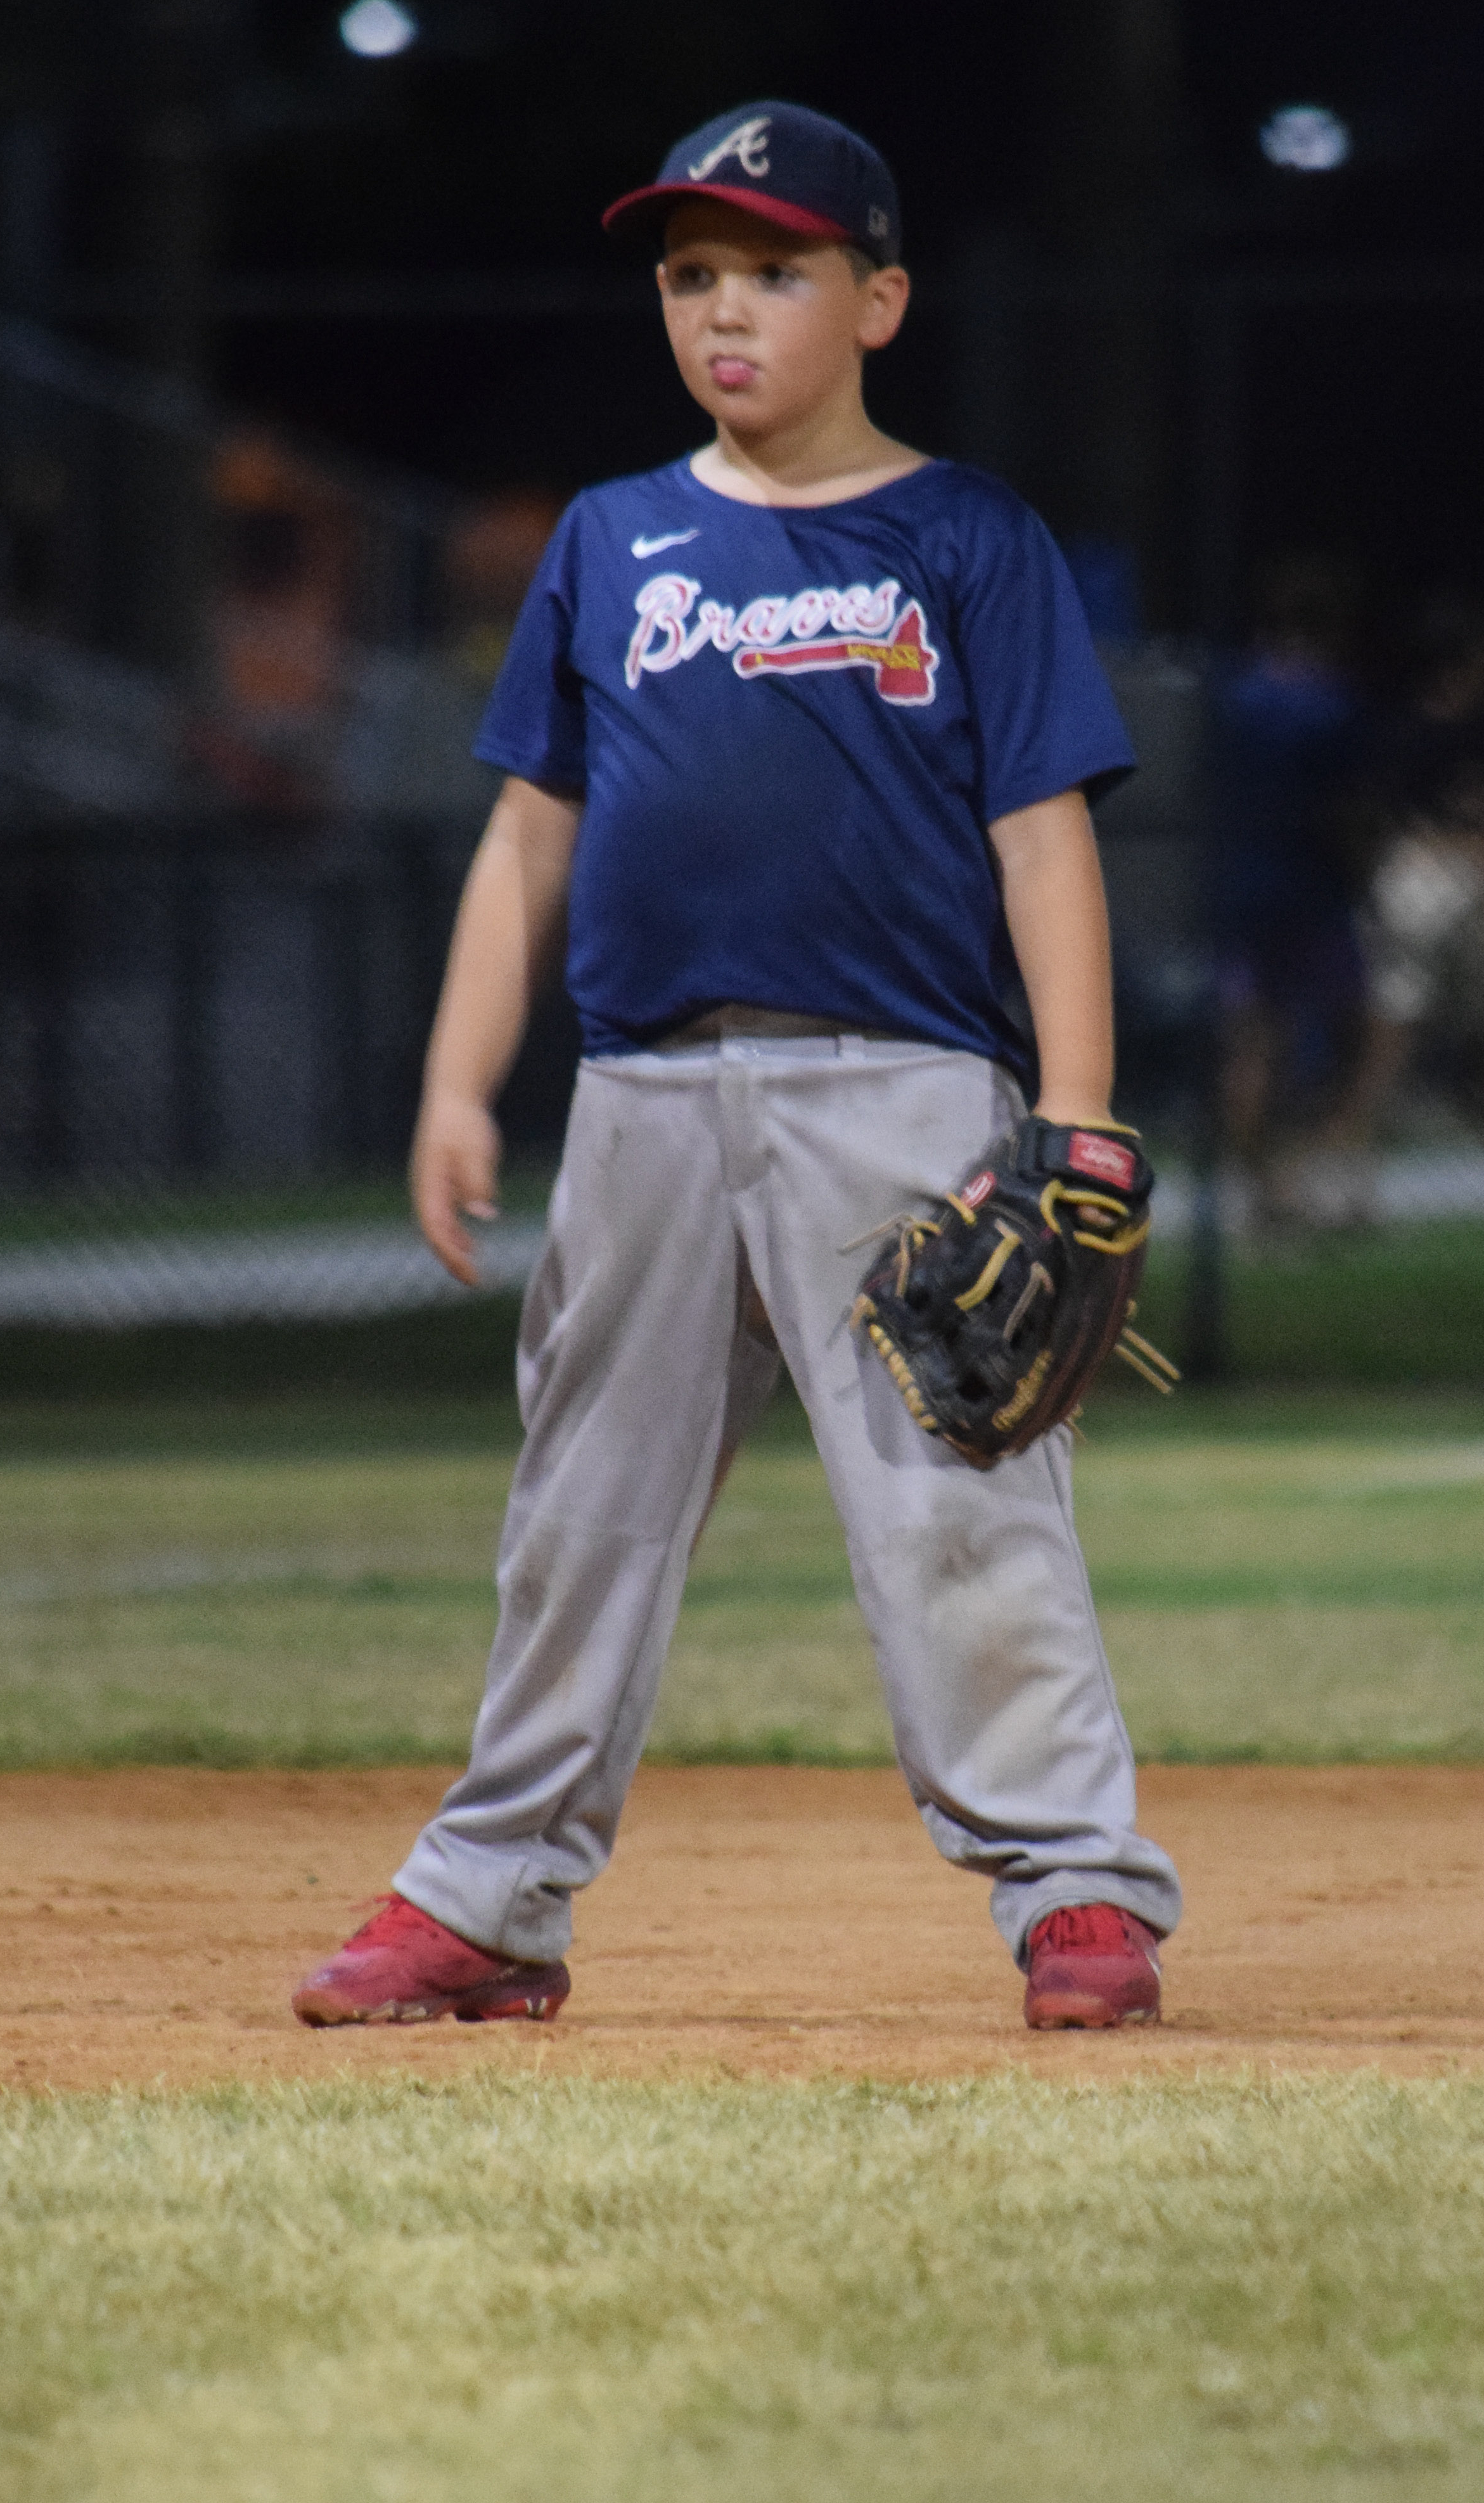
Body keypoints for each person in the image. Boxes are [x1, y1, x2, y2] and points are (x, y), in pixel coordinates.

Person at [290, 101, 1182, 2034]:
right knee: (580, 1512)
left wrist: (1077, 1113)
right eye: (692, 274)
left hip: (903, 1089)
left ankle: (1075, 1891)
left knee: (958, 1508)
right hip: (644, 1097)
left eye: (775, 271)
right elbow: (526, 833)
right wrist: (456, 1083)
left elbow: (1043, 835)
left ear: (880, 301)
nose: (723, 309)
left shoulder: (965, 536)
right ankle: (490, 1897)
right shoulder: (611, 539)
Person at [1309, 590, 1484, 1227]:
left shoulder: (1392, 731)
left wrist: (1375, 887)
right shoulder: (1477, 734)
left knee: (1388, 1049)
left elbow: (1365, 819)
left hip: (1403, 880)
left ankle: (1347, 1194)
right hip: (1461, 881)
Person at [1203, 553, 1371, 1224]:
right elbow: (1345, 809)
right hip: (1311, 889)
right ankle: (1308, 1170)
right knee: (1359, 1036)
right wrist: (1363, 873)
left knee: (1252, 1047)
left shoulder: (1232, 696)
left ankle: (1261, 1190)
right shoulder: (1330, 703)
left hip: (1238, 886)